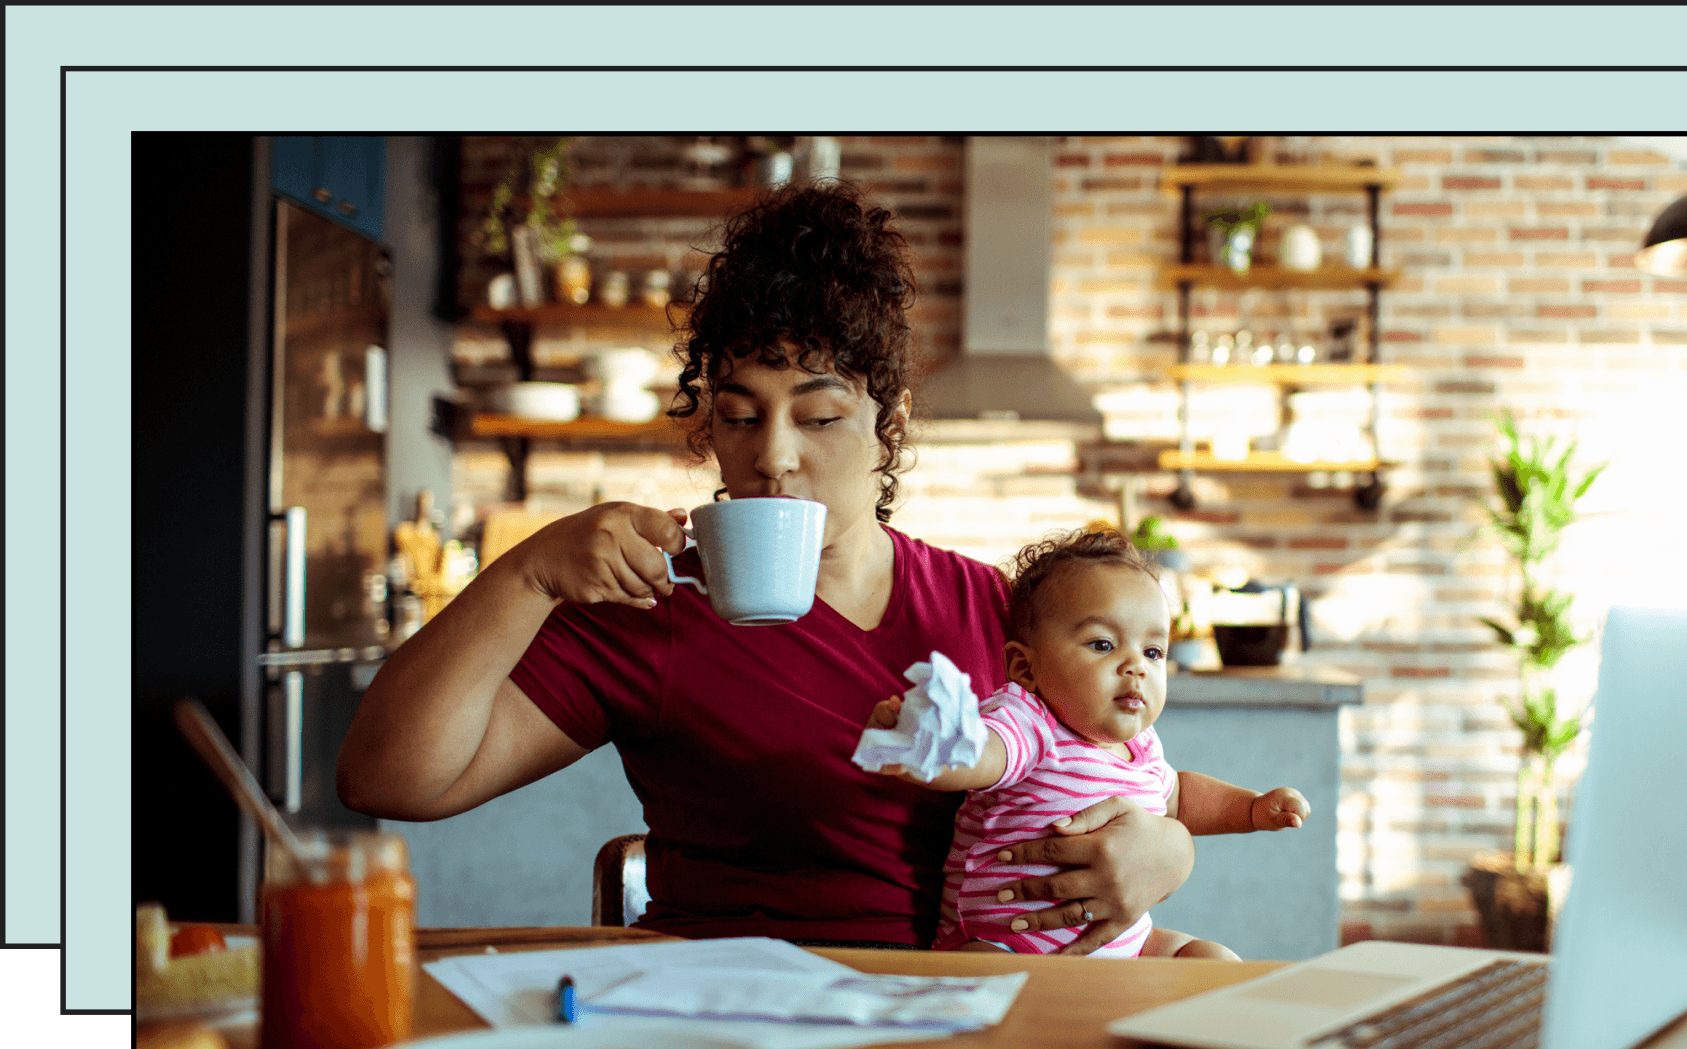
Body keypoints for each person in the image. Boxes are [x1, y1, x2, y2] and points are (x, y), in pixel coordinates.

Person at [336, 180, 1196, 953]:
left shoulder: (992, 608)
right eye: (741, 417)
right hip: (722, 1008)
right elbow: (390, 778)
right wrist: (528, 574)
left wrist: (1168, 846)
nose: (773, 457)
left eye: (818, 418)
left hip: (950, 1005)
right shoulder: (654, 605)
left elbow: (1117, 768)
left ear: (886, 425)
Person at [863, 528, 1312, 959]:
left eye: (1153, 652)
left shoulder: (1143, 746)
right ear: (1025, 667)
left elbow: (1182, 797)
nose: (1135, 666)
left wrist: (1251, 808)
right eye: (1102, 644)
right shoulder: (1029, 720)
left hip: (1120, 946)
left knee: (1210, 958)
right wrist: (925, 747)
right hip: (1005, 943)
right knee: (976, 968)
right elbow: (984, 756)